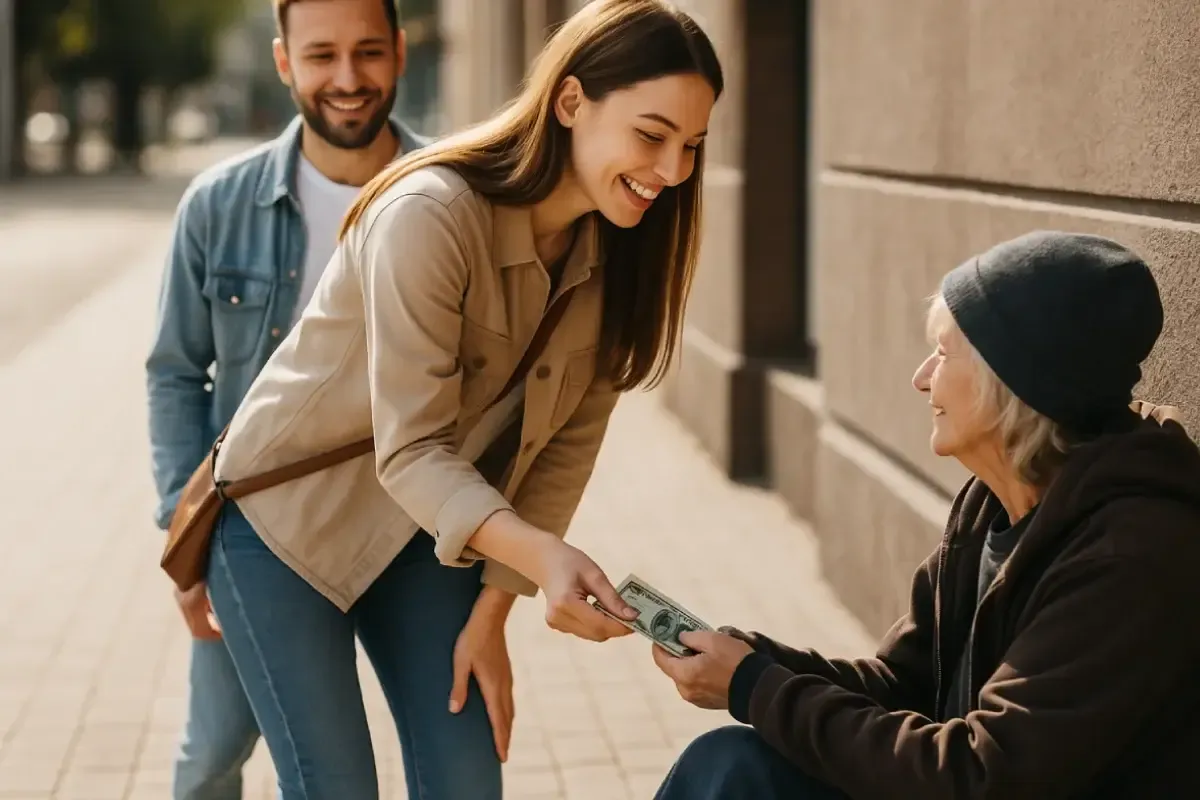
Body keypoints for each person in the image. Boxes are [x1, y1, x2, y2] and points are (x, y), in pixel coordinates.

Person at [202, 1, 723, 797]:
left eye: (692, 146)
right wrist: (544, 558)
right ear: (571, 101)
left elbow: (562, 453)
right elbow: (410, 450)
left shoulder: (621, 258)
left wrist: (494, 610)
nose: (674, 171)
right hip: (284, 528)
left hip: (423, 536)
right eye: (652, 137)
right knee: (335, 785)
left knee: (467, 781)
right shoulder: (430, 215)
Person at [652, 231, 1200, 799]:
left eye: (943, 352)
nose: (920, 377)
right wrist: (757, 661)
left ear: (1012, 380)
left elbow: (980, 777)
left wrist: (755, 688)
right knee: (732, 762)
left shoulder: (1131, 556)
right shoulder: (990, 504)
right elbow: (901, 685)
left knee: (740, 773)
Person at [144, 0, 426, 797]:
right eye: (322, 56)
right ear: (283, 61)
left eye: (368, 53)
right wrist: (184, 528)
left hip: (409, 529)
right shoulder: (218, 205)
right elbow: (174, 371)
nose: (347, 79)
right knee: (210, 760)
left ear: (401, 52)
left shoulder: (453, 193)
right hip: (258, 532)